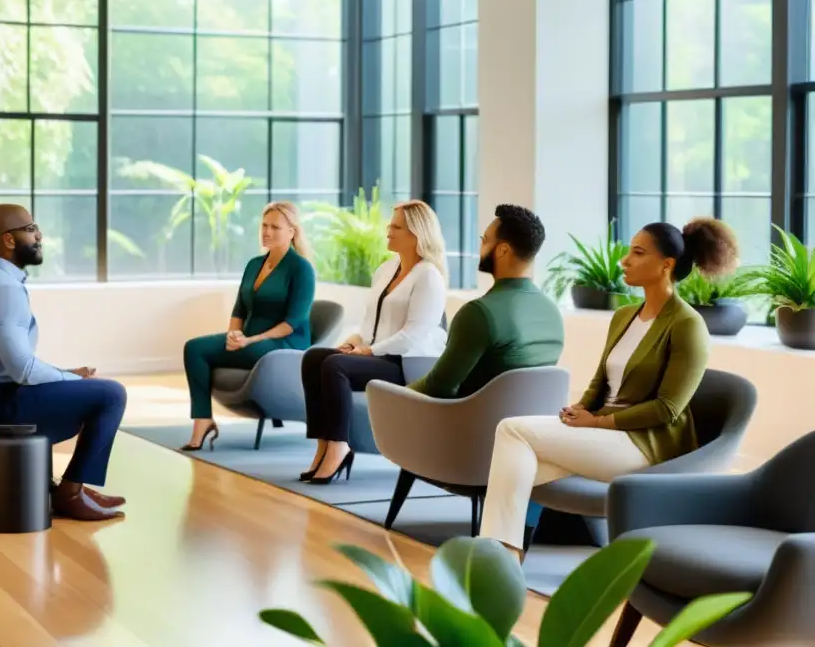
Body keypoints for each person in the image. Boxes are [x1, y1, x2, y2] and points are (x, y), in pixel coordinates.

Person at [477, 217, 739, 560]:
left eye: (637, 252)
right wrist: (579, 410)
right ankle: (505, 558)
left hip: (644, 444)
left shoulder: (688, 325)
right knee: (520, 466)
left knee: (512, 430)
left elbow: (667, 409)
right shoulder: (624, 316)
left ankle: (500, 555)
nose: (624, 260)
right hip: (603, 435)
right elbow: (601, 380)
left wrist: (596, 423)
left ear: (666, 265)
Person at [0, 204, 128, 522]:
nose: (39, 234)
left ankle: (69, 488)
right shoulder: (3, 290)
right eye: (31, 228)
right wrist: (72, 380)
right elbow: (24, 370)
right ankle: (70, 494)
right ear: (9, 240)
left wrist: (66, 375)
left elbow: (18, 363)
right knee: (110, 394)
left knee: (90, 391)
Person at [299, 200, 448, 485]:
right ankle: (324, 444)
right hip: (377, 355)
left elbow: (413, 336)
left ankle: (340, 446)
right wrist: (352, 343)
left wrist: (366, 351)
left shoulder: (429, 277)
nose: (388, 231)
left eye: (396, 227)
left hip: (406, 364)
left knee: (334, 366)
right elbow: (369, 325)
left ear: (416, 233)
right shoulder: (386, 269)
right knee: (315, 357)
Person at [181, 201, 317, 451]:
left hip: (284, 345)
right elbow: (239, 309)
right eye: (264, 225)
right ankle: (202, 420)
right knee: (194, 348)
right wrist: (235, 334)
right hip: (250, 340)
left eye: (275, 227)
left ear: (292, 231)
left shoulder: (301, 269)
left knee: (212, 349)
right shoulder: (255, 264)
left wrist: (250, 340)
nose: (267, 232)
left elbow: (292, 323)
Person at [407, 204, 565, 400]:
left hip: (467, 423)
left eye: (485, 241)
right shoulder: (552, 314)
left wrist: (393, 394)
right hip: (522, 426)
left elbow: (438, 387)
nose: (480, 248)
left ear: (503, 250)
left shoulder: (478, 313)